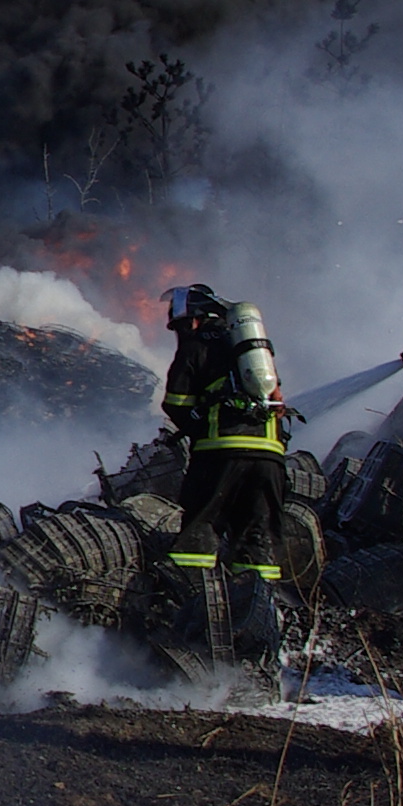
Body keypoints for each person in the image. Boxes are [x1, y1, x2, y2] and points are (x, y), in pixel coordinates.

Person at [160, 284, 289, 664]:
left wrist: (196, 427)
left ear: (194, 319)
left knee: (198, 536)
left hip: (220, 455)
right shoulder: (251, 350)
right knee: (257, 542)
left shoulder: (197, 345)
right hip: (270, 458)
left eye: (181, 324)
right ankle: (257, 635)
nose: (180, 331)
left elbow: (176, 402)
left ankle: (191, 634)